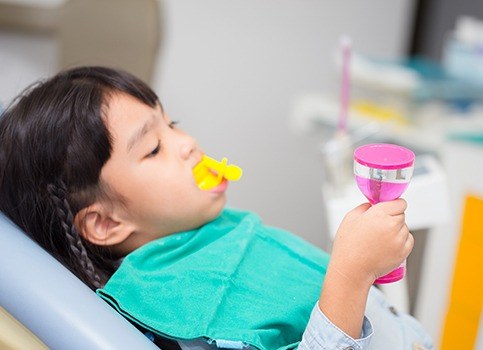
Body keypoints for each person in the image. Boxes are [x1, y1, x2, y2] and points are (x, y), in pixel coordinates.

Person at [0, 66, 433, 349]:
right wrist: (351, 275)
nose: (187, 144)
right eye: (153, 148)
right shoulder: (187, 310)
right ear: (106, 222)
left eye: (173, 125)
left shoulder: (208, 234)